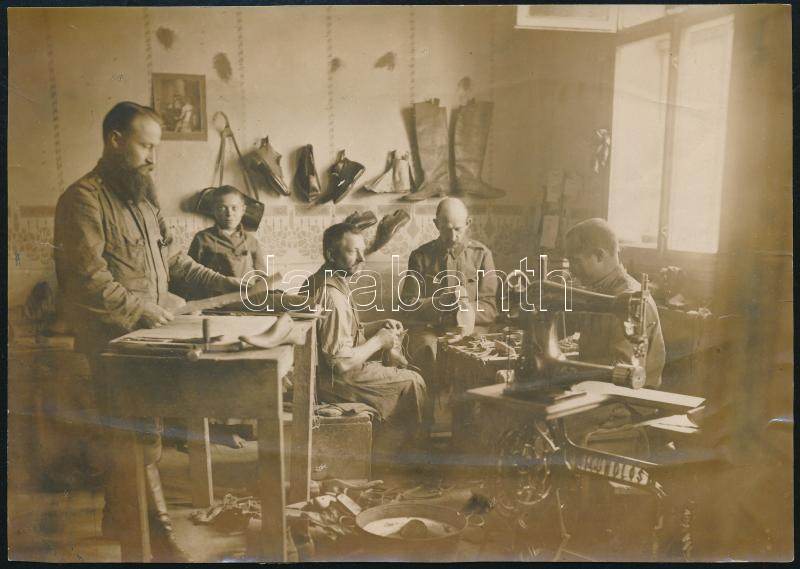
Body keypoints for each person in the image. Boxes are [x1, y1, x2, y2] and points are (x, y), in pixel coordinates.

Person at [54, 101, 240, 562]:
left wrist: (231, 284)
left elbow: (175, 262)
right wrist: (140, 309)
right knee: (138, 440)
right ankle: (157, 542)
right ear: (115, 140)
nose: (153, 157)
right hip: (112, 341)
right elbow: (88, 280)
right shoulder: (82, 199)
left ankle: (117, 518)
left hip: (146, 337)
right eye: (145, 146)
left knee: (137, 434)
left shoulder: (143, 197)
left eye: (156, 147)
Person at [302, 223, 427, 467]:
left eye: (362, 251)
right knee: (413, 381)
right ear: (331, 254)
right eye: (353, 252)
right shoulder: (332, 295)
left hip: (328, 374)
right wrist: (379, 340)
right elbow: (340, 363)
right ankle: (410, 461)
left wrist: (376, 325)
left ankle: (391, 452)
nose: (362, 258)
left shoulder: (320, 279)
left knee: (400, 372)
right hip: (334, 382)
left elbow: (337, 333)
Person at [400, 197, 498, 430]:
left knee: (474, 358)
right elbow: (408, 304)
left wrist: (464, 313)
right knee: (426, 350)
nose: (452, 236)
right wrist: (438, 304)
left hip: (469, 330)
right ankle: (424, 428)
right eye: (446, 229)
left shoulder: (482, 255)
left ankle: (467, 429)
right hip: (431, 329)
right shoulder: (420, 256)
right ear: (436, 224)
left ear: (468, 224)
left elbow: (490, 307)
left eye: (458, 229)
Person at [564, 218, 665, 389]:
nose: (572, 271)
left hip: (629, 398)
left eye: (575, 261)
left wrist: (570, 370)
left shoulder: (631, 299)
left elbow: (623, 368)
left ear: (600, 255)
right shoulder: (602, 290)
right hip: (600, 389)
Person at [187, 185, 268, 297]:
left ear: (243, 210)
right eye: (222, 208)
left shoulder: (251, 241)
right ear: (214, 210)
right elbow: (192, 275)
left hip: (247, 299)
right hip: (214, 301)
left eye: (234, 208)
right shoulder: (202, 238)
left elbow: (262, 277)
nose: (229, 214)